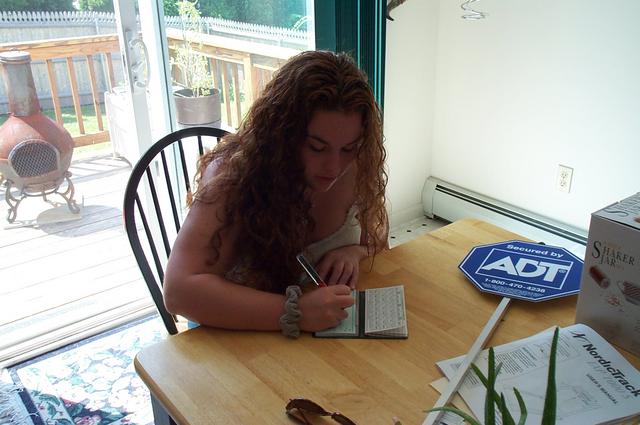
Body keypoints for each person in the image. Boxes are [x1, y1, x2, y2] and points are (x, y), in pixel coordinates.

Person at [163, 50, 388, 337]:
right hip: (235, 341)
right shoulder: (232, 177)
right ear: (282, 135)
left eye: (348, 148)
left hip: (313, 338)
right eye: (317, 147)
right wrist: (294, 311)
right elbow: (178, 291)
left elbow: (379, 239)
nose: (334, 167)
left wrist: (354, 252)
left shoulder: (359, 165)